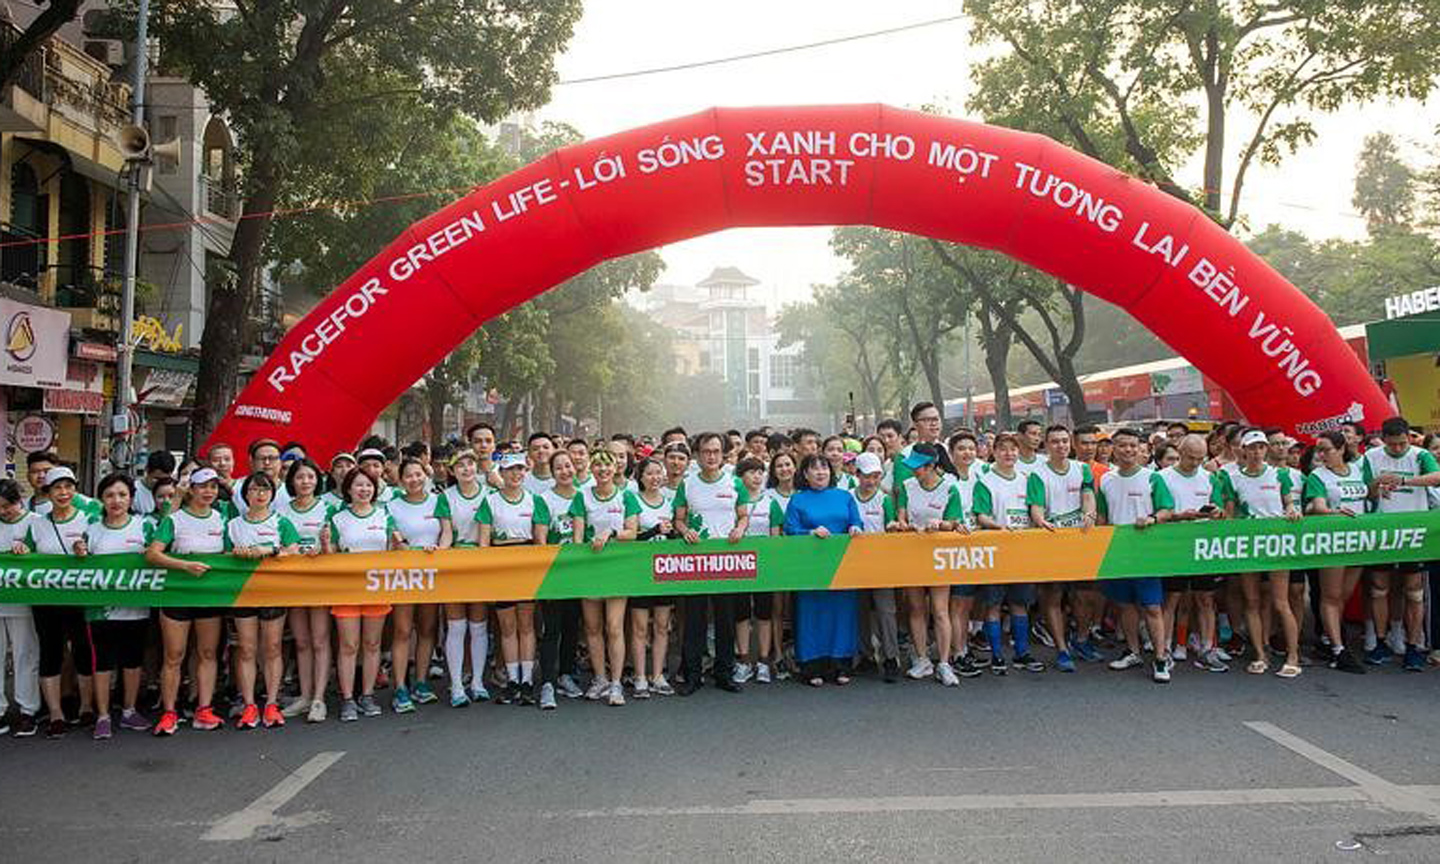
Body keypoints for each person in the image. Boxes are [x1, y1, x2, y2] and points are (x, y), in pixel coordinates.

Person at [145, 467, 226, 736]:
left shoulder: (221, 518)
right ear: (191, 489)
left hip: (209, 596)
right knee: (174, 655)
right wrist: (184, 565)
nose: (208, 492)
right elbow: (153, 554)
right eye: (203, 486)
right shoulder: (175, 520)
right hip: (177, 594)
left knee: (207, 653)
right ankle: (169, 712)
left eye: (213, 487)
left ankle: (204, 708)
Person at [1220, 428, 1303, 678]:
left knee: (1281, 602)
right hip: (1248, 544)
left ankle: (1293, 656)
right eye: (1252, 448)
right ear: (1243, 451)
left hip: (1277, 543)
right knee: (1252, 601)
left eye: (1261, 447)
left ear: (1266, 450)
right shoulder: (1232, 478)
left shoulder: (1279, 474)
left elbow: (1289, 501)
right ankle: (1260, 654)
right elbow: (1230, 513)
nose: (1257, 452)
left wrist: (1292, 510)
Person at [1359, 416, 1440, 670]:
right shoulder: (1371, 456)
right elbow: (1364, 490)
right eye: (1392, 444)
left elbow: (1437, 477)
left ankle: (1414, 645)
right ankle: (1380, 642)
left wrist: (1403, 481)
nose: (1397, 448)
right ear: (1384, 440)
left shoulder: (1419, 455)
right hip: (1383, 529)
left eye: (1402, 443)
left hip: (1415, 530)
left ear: (1408, 438)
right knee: (1379, 588)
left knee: (1414, 592)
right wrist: (1377, 485)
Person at [673, 432, 749, 695]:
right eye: (706, 451)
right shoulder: (687, 483)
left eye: (716, 451)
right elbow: (679, 519)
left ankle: (724, 673)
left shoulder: (735, 482)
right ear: (698, 454)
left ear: (723, 453)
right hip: (696, 561)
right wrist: (684, 531)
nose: (711, 456)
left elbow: (742, 515)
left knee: (726, 620)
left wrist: (740, 529)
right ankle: (693, 675)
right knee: (694, 620)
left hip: (726, 560)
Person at [1097, 429, 1174, 684]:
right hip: (1117, 552)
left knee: (1152, 606)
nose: (1128, 450)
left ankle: (1161, 658)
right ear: (1113, 449)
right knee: (1125, 605)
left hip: (1146, 552)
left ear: (1140, 448)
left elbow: (1166, 510)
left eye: (1133, 446)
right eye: (1122, 446)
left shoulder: (1152, 478)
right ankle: (1133, 651)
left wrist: (1152, 519)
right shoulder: (1106, 479)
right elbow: (1102, 517)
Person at [324, 469, 400, 722]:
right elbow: (330, 554)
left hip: (376, 588)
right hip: (346, 588)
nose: (364, 489)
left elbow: (394, 550)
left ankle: (367, 695)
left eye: (369, 485)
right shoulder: (338, 519)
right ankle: (347, 698)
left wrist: (399, 545)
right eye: (358, 485)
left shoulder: (384, 515)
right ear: (348, 489)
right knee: (348, 645)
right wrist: (325, 545)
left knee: (372, 644)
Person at [226, 472, 301, 729]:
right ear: (245, 494)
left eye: (265, 489)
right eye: (254, 489)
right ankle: (248, 705)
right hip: (243, 593)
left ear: (272, 494)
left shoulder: (282, 522)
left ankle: (271, 703)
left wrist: (270, 550)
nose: (259, 494)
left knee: (272, 648)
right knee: (246, 649)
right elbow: (223, 554)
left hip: (273, 592)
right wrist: (235, 554)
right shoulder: (233, 525)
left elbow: (294, 550)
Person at [784, 454, 863, 686]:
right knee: (810, 614)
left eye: (824, 468)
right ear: (805, 475)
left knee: (843, 614)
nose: (820, 473)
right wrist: (809, 533)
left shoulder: (845, 496)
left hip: (842, 564)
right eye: (814, 469)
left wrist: (855, 528)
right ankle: (811, 666)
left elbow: (856, 522)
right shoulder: (798, 500)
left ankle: (841, 665)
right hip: (810, 567)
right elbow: (790, 530)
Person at [478, 452, 550, 705]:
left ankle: (528, 680)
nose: (516, 474)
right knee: (507, 627)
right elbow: (484, 543)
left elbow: (540, 542)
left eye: (520, 469)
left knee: (526, 624)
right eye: (510, 470)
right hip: (501, 563)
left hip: (526, 564)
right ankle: (512, 680)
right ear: (502, 473)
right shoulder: (490, 501)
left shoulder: (535, 501)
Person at [1025, 424, 1097, 673]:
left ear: (1071, 444)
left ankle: (1081, 639)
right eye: (1055, 442)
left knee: (1084, 596)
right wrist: (1040, 520)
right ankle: (1062, 649)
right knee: (1052, 596)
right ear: (1046, 445)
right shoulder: (1037, 473)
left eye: (1065, 441)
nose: (1061, 446)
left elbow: (1088, 495)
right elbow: (1036, 506)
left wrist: (1090, 513)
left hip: (1080, 540)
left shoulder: (1082, 468)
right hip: (1051, 540)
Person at [570, 449, 639, 705]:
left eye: (607, 466)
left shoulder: (626, 497)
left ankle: (617, 683)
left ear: (615, 469)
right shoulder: (582, 497)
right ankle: (600, 678)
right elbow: (577, 537)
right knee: (592, 627)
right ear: (591, 468)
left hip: (617, 569)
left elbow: (633, 532)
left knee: (613, 626)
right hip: (589, 568)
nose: (602, 470)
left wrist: (611, 532)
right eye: (597, 466)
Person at [1155, 434, 1228, 673]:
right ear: (1180, 452)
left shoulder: (1210, 478)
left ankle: (1207, 648)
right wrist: (1180, 515)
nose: (1195, 463)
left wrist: (1216, 511)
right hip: (1173, 545)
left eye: (1200, 458)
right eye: (1190, 458)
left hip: (1203, 546)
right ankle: (1163, 649)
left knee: (1206, 599)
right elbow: (1159, 512)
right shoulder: (1162, 477)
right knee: (1171, 599)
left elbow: (1219, 509)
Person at [895, 442, 966, 687]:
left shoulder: (950, 488)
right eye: (913, 467)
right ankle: (922, 659)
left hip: (939, 555)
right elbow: (901, 516)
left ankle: (944, 663)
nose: (915, 471)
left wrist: (941, 524)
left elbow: (955, 521)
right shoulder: (907, 486)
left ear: (932, 466)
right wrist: (903, 524)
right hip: (912, 553)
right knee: (915, 608)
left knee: (940, 610)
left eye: (919, 468)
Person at [972, 434, 1044, 674]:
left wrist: (1041, 522)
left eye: (1013, 449)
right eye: (1003, 449)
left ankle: (1022, 653)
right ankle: (996, 656)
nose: (1009, 454)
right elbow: (980, 515)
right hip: (994, 550)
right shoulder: (985, 481)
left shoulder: (1028, 479)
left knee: (1019, 603)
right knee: (993, 605)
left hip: (1021, 551)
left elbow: (1035, 509)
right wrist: (998, 527)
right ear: (994, 451)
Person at [387, 458, 452, 712]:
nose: (414, 480)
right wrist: (402, 545)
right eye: (408, 476)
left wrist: (440, 548)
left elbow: (446, 532)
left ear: (425, 476)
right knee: (403, 631)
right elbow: (392, 536)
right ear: (401, 480)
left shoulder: (438, 501)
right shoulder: (391, 506)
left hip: (431, 574)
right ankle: (400, 686)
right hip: (403, 576)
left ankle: (421, 683)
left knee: (428, 629)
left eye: (418, 475)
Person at [1302, 431, 1369, 674]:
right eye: (1318, 450)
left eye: (1326, 449)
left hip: (1359, 540)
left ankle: (1332, 640)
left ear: (1341, 449)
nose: (1321, 455)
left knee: (1343, 596)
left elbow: (1369, 495)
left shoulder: (1359, 469)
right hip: (1332, 541)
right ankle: (1339, 649)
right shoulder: (1317, 476)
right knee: (1330, 596)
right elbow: (1319, 506)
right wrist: (1335, 513)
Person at [278, 458, 332, 722]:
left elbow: (335, 544)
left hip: (320, 581)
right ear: (292, 481)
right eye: (300, 477)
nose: (305, 482)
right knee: (301, 642)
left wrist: (323, 547)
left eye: (310, 477)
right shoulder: (283, 512)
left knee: (320, 639)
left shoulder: (328, 507)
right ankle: (305, 696)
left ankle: (319, 699)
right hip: (293, 582)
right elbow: (280, 543)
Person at [442, 448, 495, 707]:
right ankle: (456, 686)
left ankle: (477, 682)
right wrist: (441, 553)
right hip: (455, 563)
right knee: (456, 624)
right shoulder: (446, 497)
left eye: (470, 464)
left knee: (478, 624)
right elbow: (446, 534)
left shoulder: (490, 494)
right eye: (460, 465)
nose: (466, 469)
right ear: (452, 471)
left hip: (481, 562)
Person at [537, 449, 583, 707]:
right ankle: (547, 682)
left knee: (572, 626)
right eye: (559, 468)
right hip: (553, 573)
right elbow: (541, 538)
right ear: (552, 473)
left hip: (579, 573)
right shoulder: (544, 499)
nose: (565, 471)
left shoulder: (584, 497)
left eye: (568, 466)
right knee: (551, 629)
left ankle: (566, 675)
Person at [850, 452, 902, 681]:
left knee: (886, 611)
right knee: (859, 610)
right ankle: (866, 656)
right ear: (857, 474)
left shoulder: (885, 499)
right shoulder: (848, 497)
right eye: (867, 476)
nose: (871, 481)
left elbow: (891, 524)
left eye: (876, 476)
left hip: (881, 563)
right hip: (854, 563)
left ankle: (891, 658)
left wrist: (892, 526)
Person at [630, 457, 677, 696]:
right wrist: (654, 531)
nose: (655, 478)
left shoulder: (670, 503)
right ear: (640, 477)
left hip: (665, 572)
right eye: (649, 473)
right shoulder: (633, 500)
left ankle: (657, 675)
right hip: (640, 572)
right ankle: (639, 676)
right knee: (639, 628)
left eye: (658, 473)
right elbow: (632, 537)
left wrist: (672, 533)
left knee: (661, 626)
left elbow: (675, 537)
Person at [945, 431, 988, 678]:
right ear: (951, 454)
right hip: (953, 548)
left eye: (971, 448)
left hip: (976, 546)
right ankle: (957, 652)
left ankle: (964, 647)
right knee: (958, 603)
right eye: (961, 448)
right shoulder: (947, 481)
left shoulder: (980, 476)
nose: (967, 453)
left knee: (968, 602)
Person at [0, 479, 40, 737]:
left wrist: (27, 551)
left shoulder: (35, 522)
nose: (3, 511)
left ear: (19, 501)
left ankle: (28, 710)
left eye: (7, 506)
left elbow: (44, 555)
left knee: (26, 654)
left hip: (23, 600)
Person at [733, 457, 778, 684]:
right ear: (740, 477)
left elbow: (776, 535)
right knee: (741, 614)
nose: (756, 476)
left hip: (763, 567)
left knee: (763, 614)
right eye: (751, 472)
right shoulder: (734, 503)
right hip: (739, 566)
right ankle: (743, 660)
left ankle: (763, 661)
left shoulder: (770, 502)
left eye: (760, 472)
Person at [133, 449, 176, 515]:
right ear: (147, 470)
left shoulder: (174, 491)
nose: (160, 483)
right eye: (156, 478)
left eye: (165, 479)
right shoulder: (133, 490)